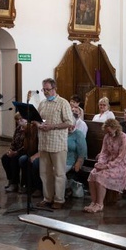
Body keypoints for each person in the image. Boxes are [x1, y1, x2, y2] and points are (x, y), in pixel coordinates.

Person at [35, 78, 74, 210]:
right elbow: (37, 119)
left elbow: (69, 122)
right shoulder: (42, 103)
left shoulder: (63, 103)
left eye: (47, 89)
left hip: (57, 143)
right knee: (45, 173)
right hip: (44, 143)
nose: (45, 92)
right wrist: (38, 124)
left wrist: (52, 126)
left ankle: (59, 199)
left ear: (54, 88)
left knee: (58, 173)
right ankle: (47, 198)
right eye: (43, 89)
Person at [85, 119, 126, 214]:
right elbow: (103, 152)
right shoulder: (107, 137)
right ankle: (93, 202)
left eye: (109, 131)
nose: (108, 133)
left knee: (101, 176)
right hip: (109, 162)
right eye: (107, 131)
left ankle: (99, 204)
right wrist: (100, 163)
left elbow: (121, 157)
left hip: (122, 164)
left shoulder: (124, 138)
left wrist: (106, 166)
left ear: (115, 128)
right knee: (92, 174)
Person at [1, 112, 26, 192]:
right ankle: (10, 180)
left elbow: (26, 145)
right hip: (16, 150)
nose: (19, 121)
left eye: (21, 119)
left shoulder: (28, 129)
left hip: (24, 151)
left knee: (14, 159)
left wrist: (16, 152)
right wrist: (10, 150)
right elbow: (13, 141)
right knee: (5, 158)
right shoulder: (18, 128)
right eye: (17, 119)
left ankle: (15, 184)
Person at [18, 120, 42, 197]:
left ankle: (38, 188)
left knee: (35, 163)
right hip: (32, 153)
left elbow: (43, 148)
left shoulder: (39, 131)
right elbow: (27, 148)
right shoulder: (28, 133)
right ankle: (27, 185)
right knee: (22, 159)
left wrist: (35, 156)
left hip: (43, 154)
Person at [65, 120, 87, 198]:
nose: (70, 128)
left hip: (71, 160)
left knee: (58, 171)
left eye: (72, 125)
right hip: (60, 158)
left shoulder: (78, 134)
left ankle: (66, 188)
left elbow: (83, 150)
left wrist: (79, 162)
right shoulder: (61, 132)